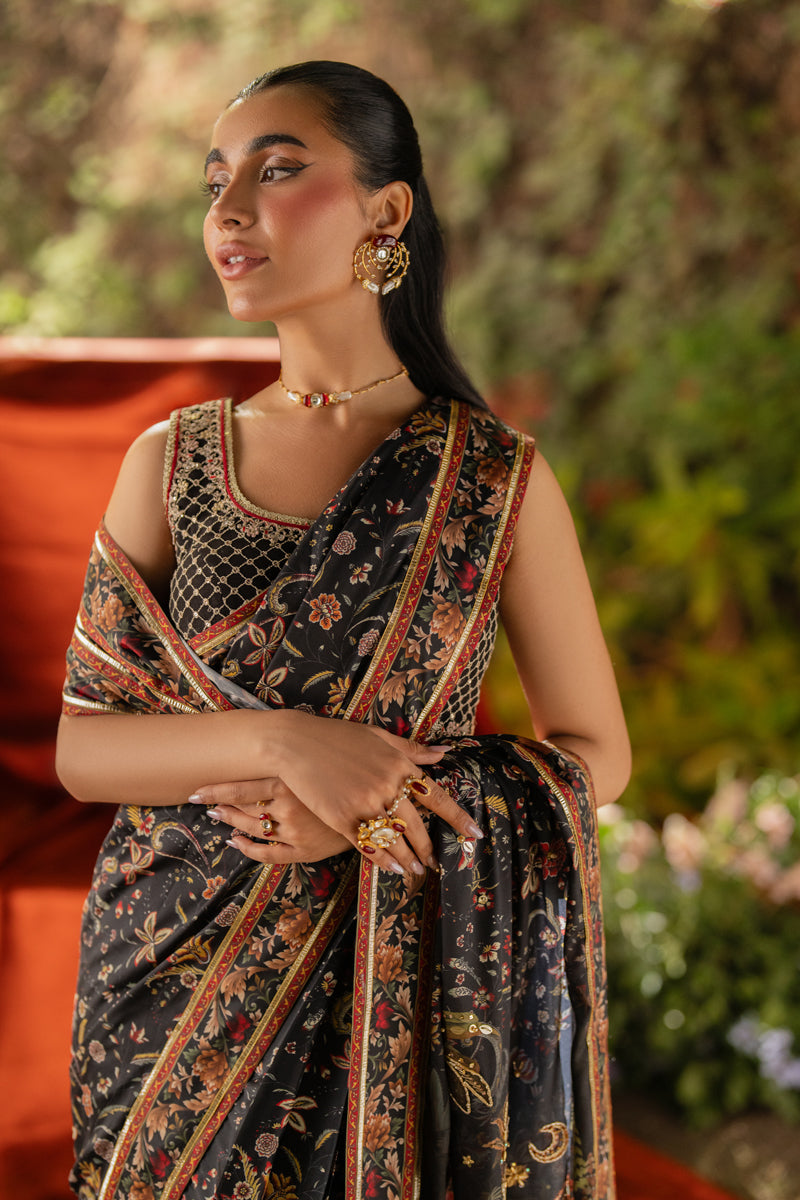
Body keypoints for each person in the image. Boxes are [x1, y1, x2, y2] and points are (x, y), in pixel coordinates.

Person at [56, 60, 630, 1200]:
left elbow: (595, 753)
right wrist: (285, 744)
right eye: (215, 181)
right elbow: (84, 747)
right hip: (160, 987)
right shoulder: (172, 461)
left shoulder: (488, 478)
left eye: (276, 172)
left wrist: (367, 812)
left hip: (390, 989)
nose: (228, 211)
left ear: (385, 211)